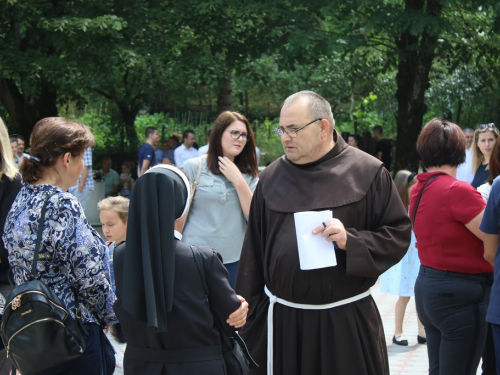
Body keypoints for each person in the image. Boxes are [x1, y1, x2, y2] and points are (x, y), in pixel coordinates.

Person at [235, 90, 411, 375]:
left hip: (345, 324)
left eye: (294, 129)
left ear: (323, 128)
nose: (285, 137)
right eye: (282, 129)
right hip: (284, 323)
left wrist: (351, 241)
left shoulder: (367, 172)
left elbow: (399, 233)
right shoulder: (270, 179)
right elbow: (252, 254)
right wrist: (247, 316)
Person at [2, 117, 117, 374]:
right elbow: (90, 279)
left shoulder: (22, 197)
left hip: (34, 333)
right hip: (70, 335)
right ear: (67, 159)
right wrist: (112, 316)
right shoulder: (62, 204)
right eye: (82, 159)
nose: (81, 169)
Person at [113, 164, 249, 374]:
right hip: (198, 367)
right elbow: (231, 319)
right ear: (179, 205)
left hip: (141, 366)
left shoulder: (120, 255)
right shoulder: (203, 258)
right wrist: (239, 305)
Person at [410, 118, 493, 375]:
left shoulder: (420, 187)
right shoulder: (457, 190)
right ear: (461, 151)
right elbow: (492, 236)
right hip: (461, 294)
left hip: (429, 287)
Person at [182, 112, 259, 287]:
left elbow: (253, 214)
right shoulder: (194, 167)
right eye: (234, 133)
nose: (240, 139)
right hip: (194, 257)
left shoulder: (249, 175)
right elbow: (179, 214)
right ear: (219, 133)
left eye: (244, 135)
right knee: (195, 313)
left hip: (234, 260)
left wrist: (238, 180)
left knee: (231, 314)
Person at [379, 170, 426, 346]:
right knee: (405, 295)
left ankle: (422, 330)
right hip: (405, 256)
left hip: (418, 253)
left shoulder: (418, 205)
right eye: (412, 185)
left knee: (420, 294)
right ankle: (398, 331)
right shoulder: (396, 210)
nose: (415, 188)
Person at [98, 196, 129, 292]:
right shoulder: (107, 247)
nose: (105, 230)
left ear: (128, 222)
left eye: (110, 224)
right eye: (103, 224)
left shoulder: (133, 250)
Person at [471, 123, 499, 189]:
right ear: (477, 143)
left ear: (497, 141)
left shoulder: (498, 165)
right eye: (483, 140)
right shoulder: (477, 164)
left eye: (491, 140)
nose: (487, 144)